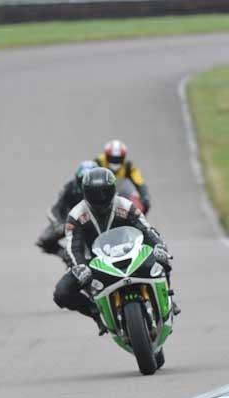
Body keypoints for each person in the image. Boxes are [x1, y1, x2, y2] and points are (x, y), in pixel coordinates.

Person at [53, 168, 177, 334]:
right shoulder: (76, 215)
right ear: (85, 193)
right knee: (61, 293)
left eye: (104, 193)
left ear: (113, 190)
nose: (100, 198)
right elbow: (72, 246)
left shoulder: (125, 206)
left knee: (162, 258)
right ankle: (97, 314)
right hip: (96, 263)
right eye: (94, 194)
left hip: (132, 253)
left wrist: (158, 245)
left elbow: (146, 229)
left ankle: (168, 298)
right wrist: (80, 266)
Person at [37, 160, 98, 261]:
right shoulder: (69, 188)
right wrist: (59, 225)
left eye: (88, 181)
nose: (85, 185)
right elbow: (54, 209)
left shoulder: (105, 190)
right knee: (44, 240)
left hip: (97, 222)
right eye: (82, 180)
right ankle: (68, 257)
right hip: (73, 221)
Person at [95, 139, 151, 213]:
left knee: (144, 204)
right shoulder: (98, 163)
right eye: (111, 158)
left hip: (122, 195)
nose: (114, 161)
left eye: (118, 159)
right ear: (106, 156)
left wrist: (145, 196)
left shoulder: (128, 166)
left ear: (124, 157)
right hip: (101, 196)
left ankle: (138, 223)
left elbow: (139, 182)